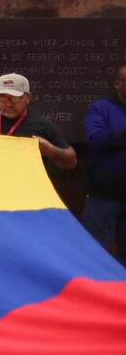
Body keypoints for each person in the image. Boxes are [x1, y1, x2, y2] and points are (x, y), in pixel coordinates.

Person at [0, 73, 76, 169]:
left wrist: (50, 150)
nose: (9, 104)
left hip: (28, 187)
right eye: (3, 98)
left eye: (15, 98)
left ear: (28, 97)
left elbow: (71, 162)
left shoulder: (43, 126)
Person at [82, 62, 126, 264]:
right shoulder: (100, 108)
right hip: (103, 198)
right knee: (93, 256)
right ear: (117, 83)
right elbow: (97, 139)